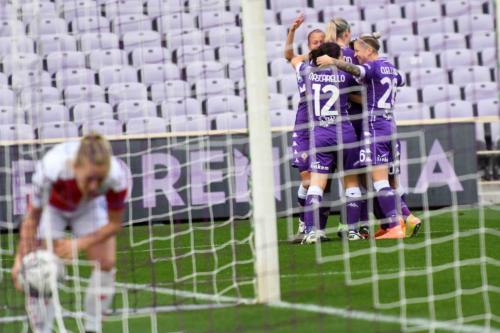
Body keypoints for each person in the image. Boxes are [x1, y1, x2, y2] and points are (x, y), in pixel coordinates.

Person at [11, 133, 129, 332]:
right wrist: (18, 260)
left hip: (88, 207)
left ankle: (93, 327)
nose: (94, 185)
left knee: (106, 263)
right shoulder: (52, 168)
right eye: (89, 178)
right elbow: (32, 217)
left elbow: (114, 224)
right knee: (42, 265)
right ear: (76, 167)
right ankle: (41, 328)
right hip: (53, 208)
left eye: (99, 179)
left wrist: (78, 244)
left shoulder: (115, 176)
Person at [317, 33, 407, 239]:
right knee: (390, 180)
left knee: (380, 181)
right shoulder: (391, 68)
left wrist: (334, 61)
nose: (355, 55)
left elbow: (355, 70)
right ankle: (394, 223)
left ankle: (394, 226)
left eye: (358, 51)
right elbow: (401, 81)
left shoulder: (372, 67)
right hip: (390, 125)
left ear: (370, 50)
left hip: (375, 128)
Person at [292, 42, 365, 243]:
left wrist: (313, 55)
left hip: (321, 136)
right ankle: (351, 231)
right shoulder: (344, 74)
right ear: (335, 57)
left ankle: (311, 231)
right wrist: (335, 62)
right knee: (351, 182)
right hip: (345, 133)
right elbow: (361, 77)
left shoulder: (308, 72)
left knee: (316, 184)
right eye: (340, 55)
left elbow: (295, 59)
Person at [284, 14, 330, 242]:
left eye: (323, 41)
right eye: (315, 42)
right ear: (309, 45)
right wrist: (292, 30)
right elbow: (288, 55)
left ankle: (313, 225)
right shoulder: (302, 63)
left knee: (320, 181)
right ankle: (307, 223)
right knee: (306, 180)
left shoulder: (334, 64)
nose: (319, 45)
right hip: (304, 123)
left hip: (326, 124)